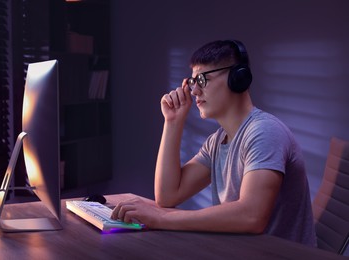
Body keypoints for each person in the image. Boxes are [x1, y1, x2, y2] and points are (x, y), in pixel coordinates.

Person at [111, 40, 316, 246]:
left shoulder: (264, 132)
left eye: (202, 79)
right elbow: (168, 196)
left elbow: (251, 216)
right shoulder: (217, 142)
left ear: (238, 77)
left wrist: (161, 218)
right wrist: (173, 122)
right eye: (192, 82)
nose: (194, 92)